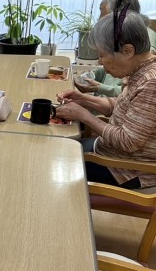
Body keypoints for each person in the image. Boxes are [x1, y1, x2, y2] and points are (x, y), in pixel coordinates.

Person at [55, 11, 156, 189]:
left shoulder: (150, 83)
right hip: (110, 153)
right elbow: (120, 106)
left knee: (55, 164)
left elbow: (128, 141)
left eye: (102, 55)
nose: (100, 62)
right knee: (59, 147)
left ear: (128, 51)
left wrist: (84, 116)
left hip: (128, 170)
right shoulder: (140, 70)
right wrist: (83, 99)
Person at [74, 0, 150, 98]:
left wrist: (98, 88)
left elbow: (128, 94)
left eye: (102, 13)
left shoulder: (139, 42)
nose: (99, 19)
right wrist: (94, 75)